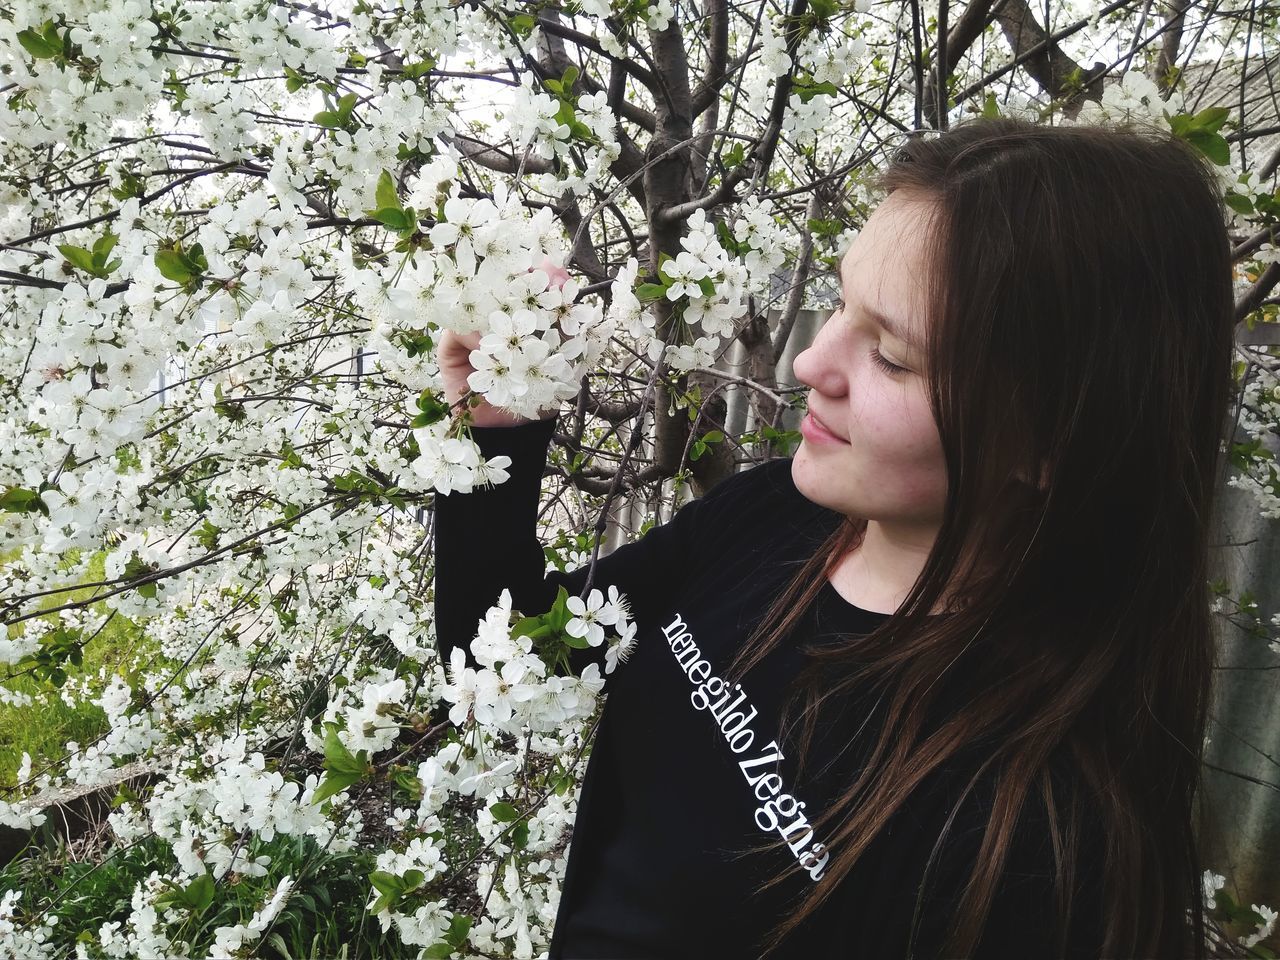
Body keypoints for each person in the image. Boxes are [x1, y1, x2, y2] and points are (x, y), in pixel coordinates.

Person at [432, 115, 1236, 959]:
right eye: (842, 304)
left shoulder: (1031, 834)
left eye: (891, 355)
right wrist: (492, 429)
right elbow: (500, 662)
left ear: (1050, 440)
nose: (813, 362)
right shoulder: (773, 515)